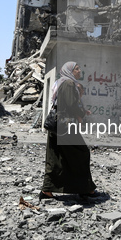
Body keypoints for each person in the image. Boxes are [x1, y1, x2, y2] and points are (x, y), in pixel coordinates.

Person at [40, 61, 98, 200]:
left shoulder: (61, 82)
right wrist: (82, 113)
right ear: (70, 71)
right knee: (82, 152)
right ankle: (85, 189)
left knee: (55, 155)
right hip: (64, 124)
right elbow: (71, 104)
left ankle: (47, 190)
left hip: (56, 123)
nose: (79, 71)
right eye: (77, 69)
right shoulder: (69, 83)